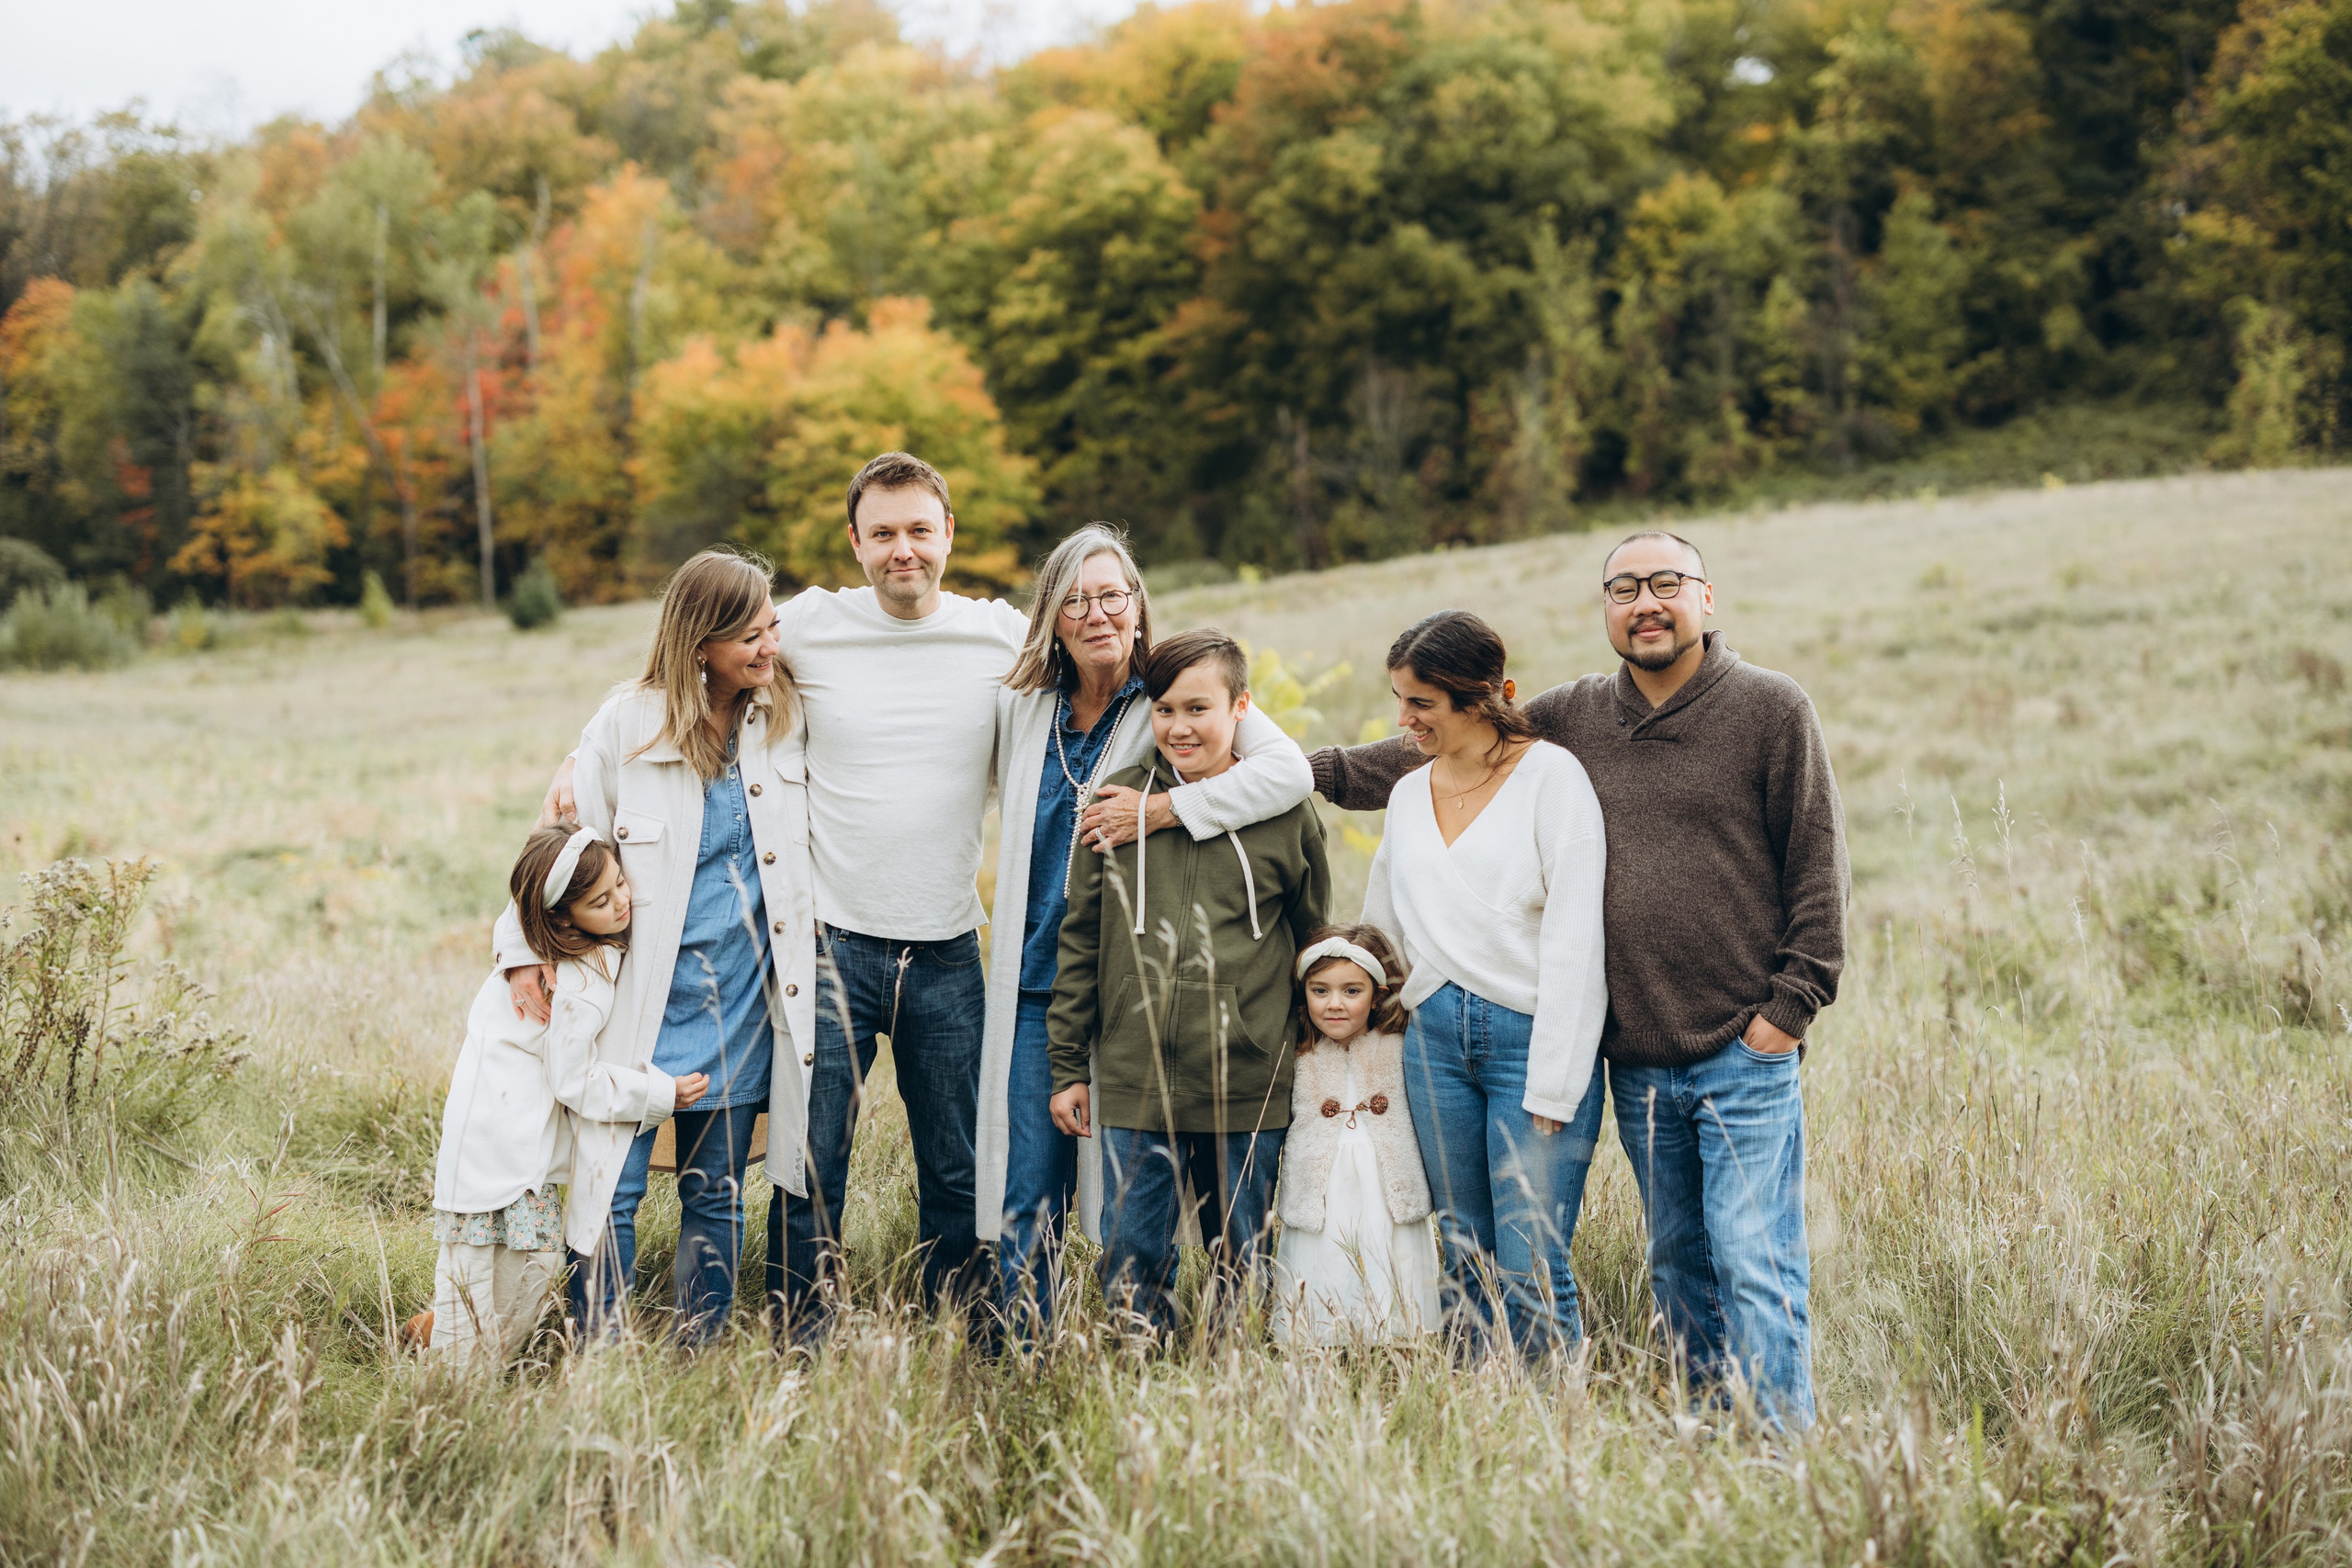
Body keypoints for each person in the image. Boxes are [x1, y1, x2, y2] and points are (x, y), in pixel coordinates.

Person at [1315, 533, 1849, 1426]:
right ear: (1604, 608)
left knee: (1753, 1258)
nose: (1646, 602)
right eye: (1624, 587)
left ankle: (1780, 1451)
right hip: (1636, 1054)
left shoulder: (1771, 709)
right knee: (1677, 1261)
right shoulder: (1573, 716)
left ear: (1705, 599)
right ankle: (1707, 1429)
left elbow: (1818, 872)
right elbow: (1441, 745)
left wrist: (1786, 1015)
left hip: (1742, 1048)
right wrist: (1287, 772)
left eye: (1666, 583)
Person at [978, 525, 1312, 1337]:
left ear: (1138, 605)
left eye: (1112, 594)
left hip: (1142, 984)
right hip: (1036, 977)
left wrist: (1164, 808)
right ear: (1052, 616)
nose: (1096, 613)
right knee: (1030, 1183)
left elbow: (1289, 772)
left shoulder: (1170, 696)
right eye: (1075, 598)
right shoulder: (1024, 707)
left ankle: (1185, 1342)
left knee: (1139, 1192)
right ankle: (1031, 1347)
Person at [503, 548, 815, 1346]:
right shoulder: (627, 725)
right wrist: (519, 950)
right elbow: (561, 846)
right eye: (748, 635)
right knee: (612, 1188)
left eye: (770, 627)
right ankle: (600, 1348)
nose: (767, 646)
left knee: (718, 1190)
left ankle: (700, 1346)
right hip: (636, 1003)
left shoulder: (781, 719)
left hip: (739, 997)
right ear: (698, 642)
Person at [1047, 629, 1329, 1341]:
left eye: (1198, 708)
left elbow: (1314, 937)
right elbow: (1079, 940)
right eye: (1164, 708)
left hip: (1248, 1080)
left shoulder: (1284, 813)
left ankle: (1237, 1384)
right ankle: (1141, 1381)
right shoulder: (1114, 807)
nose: (1178, 726)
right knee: (1131, 1258)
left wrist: (1300, 1049)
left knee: (1247, 1257)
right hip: (1136, 1078)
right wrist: (1068, 1067)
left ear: (1241, 708)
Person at [1357, 611, 1609, 1359]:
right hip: (1432, 1043)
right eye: (1400, 699)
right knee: (1461, 1249)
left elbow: (1575, 939)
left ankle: (1553, 1426)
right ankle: (1476, 1424)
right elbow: (1383, 925)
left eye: (1420, 703)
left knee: (1530, 1261)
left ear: (1478, 698)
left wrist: (1557, 1083)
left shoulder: (1552, 779)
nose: (1403, 720)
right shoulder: (1407, 795)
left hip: (1529, 1040)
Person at [426, 822, 704, 1365]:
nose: (623, 903)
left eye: (621, 884)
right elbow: (574, 1079)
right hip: (507, 1150)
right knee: (501, 1278)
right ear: (562, 918)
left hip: (495, 1139)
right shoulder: (574, 978)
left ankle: (453, 1356)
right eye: (601, 902)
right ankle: (452, 1392)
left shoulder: (562, 951)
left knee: (514, 1275)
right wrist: (658, 1093)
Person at [1270, 924, 1439, 1347]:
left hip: (1385, 1183)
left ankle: (1393, 1337)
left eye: (1351, 991)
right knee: (1323, 1254)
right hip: (1321, 1185)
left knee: (1385, 1250)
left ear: (1378, 994)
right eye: (1320, 990)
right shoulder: (1298, 1053)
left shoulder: (1399, 1047)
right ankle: (1321, 1335)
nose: (1334, 1005)